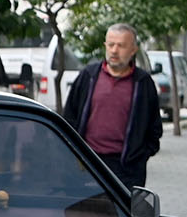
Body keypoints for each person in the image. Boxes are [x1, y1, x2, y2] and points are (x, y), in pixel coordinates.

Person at [61, 21, 163, 189]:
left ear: (133, 50)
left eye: (121, 46)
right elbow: (69, 117)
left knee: (122, 215)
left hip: (126, 169)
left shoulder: (143, 83)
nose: (115, 51)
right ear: (105, 46)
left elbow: (154, 128)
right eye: (111, 45)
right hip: (87, 163)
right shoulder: (89, 76)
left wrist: (140, 156)